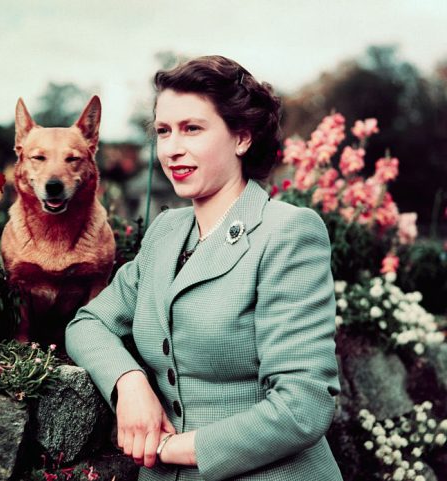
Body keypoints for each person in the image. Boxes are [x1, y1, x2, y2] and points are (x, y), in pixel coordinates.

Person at [65, 55, 342, 481]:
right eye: (163, 131)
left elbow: (303, 404)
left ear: (242, 138)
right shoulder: (166, 233)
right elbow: (88, 323)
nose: (172, 148)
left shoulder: (288, 232)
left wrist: (177, 448)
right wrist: (130, 383)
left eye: (192, 128)